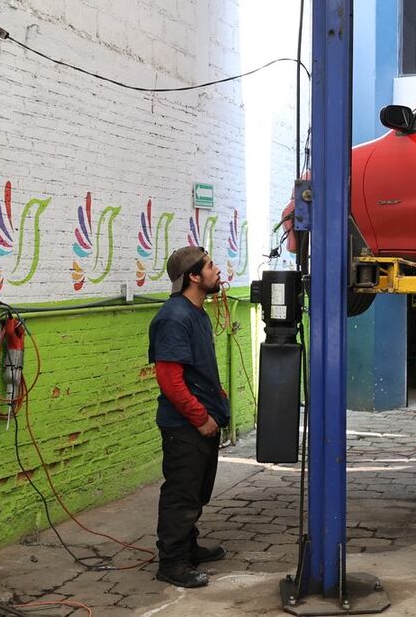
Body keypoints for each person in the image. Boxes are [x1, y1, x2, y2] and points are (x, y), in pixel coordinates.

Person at [147, 246, 232, 588]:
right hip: (184, 425)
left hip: (201, 421)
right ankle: (172, 563)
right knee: (181, 494)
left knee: (196, 492)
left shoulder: (197, 313)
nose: (217, 270)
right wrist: (200, 417)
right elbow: (169, 379)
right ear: (194, 277)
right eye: (210, 266)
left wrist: (219, 400)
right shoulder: (174, 317)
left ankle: (189, 547)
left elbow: (198, 370)